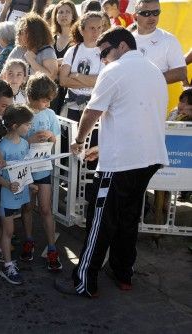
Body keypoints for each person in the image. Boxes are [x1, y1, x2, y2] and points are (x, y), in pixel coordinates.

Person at [55, 26, 169, 297]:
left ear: (121, 46)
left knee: (101, 219)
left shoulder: (115, 70)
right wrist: (102, 148)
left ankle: (83, 281)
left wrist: (79, 141)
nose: (102, 58)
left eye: (104, 51)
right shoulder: (153, 70)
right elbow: (132, 115)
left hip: (122, 162)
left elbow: (92, 112)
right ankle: (122, 273)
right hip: (149, 157)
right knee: (128, 217)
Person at [20, 73, 62, 270]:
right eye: (43, 100)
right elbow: (14, 141)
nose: (46, 103)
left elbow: (55, 137)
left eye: (48, 100)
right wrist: (29, 140)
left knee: (45, 208)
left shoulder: (50, 114)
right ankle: (28, 239)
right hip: (25, 168)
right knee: (27, 207)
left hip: (43, 167)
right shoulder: (21, 113)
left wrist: (50, 135)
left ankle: (52, 246)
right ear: (31, 97)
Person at [0, 104, 34, 285]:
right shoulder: (2, 147)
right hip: (7, 195)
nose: (30, 127)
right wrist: (9, 185)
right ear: (16, 126)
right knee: (8, 230)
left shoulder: (25, 143)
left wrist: (30, 183)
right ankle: (7, 265)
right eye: (28, 124)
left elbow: (25, 168)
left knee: (7, 228)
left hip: (21, 192)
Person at [59, 12, 104, 123]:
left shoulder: (104, 52)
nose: (96, 32)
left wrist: (76, 75)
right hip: (71, 106)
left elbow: (100, 82)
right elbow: (63, 81)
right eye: (92, 28)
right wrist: (91, 81)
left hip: (94, 107)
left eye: (99, 28)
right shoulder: (72, 51)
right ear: (82, 30)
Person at [132, 0, 187, 85]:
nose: (152, 17)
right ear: (135, 16)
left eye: (156, 12)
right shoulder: (126, 40)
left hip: (158, 97)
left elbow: (181, 72)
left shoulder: (169, 39)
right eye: (146, 13)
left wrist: (148, 81)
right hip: (131, 96)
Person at [9, 13, 58, 80]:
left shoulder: (47, 51)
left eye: (21, 32)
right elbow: (3, 75)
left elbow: (51, 77)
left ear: (33, 34)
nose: (17, 35)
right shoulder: (18, 49)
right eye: (18, 31)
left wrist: (32, 61)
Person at [50, 0, 79, 113]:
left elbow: (74, 62)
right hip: (51, 88)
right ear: (56, 16)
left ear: (73, 16)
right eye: (60, 12)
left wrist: (53, 63)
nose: (64, 15)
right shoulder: (50, 39)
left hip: (69, 87)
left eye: (68, 12)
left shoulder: (78, 39)